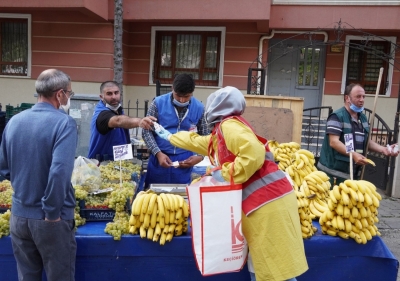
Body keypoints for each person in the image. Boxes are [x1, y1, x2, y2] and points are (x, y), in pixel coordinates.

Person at [154, 86, 308, 281]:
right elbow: (197, 141)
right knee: (264, 266)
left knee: (274, 272)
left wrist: (225, 173)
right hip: (264, 203)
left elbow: (254, 153)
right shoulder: (221, 133)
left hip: (268, 204)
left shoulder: (229, 126)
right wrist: (168, 136)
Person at [0, 69, 78, 281]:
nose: (68, 98)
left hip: (19, 216)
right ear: (60, 94)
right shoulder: (64, 123)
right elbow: (60, 171)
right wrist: (52, 211)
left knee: (26, 276)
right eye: (69, 94)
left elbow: (4, 168)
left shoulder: (14, 121)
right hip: (51, 219)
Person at [317, 83, 399, 185]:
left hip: (353, 175)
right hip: (332, 175)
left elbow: (366, 141)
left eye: (363, 96)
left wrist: (383, 149)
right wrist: (354, 154)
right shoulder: (337, 117)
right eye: (358, 96)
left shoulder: (363, 118)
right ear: (347, 98)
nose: (362, 100)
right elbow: (334, 142)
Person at [142, 73, 209, 187]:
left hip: (185, 158)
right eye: (178, 96)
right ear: (172, 88)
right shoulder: (158, 103)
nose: (182, 100)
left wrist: (200, 156)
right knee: (154, 196)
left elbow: (206, 136)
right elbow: (146, 131)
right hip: (159, 156)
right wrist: (157, 153)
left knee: (180, 198)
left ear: (192, 93)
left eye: (186, 96)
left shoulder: (199, 108)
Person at [88, 81, 156, 161]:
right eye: (109, 94)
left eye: (116, 93)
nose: (114, 97)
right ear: (101, 97)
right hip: (101, 164)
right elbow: (118, 121)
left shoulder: (117, 109)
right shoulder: (101, 115)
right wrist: (139, 121)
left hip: (120, 161)